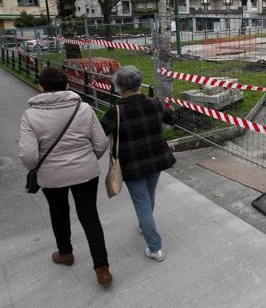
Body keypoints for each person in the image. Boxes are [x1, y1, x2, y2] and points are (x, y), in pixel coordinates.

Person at [19, 67, 112, 287]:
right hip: (85, 173)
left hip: (51, 177)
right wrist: (87, 159)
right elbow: (101, 143)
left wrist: (39, 166)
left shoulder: (30, 115)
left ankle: (65, 253)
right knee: (90, 217)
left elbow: (29, 157)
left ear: (41, 87)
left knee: (58, 212)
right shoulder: (84, 109)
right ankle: (102, 269)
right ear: (67, 86)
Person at [100, 66, 176, 262]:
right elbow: (172, 119)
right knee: (148, 197)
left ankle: (155, 248)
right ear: (139, 83)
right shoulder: (154, 103)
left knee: (142, 203)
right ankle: (145, 225)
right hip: (156, 159)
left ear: (118, 87)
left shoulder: (114, 112)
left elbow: (100, 135)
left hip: (131, 166)